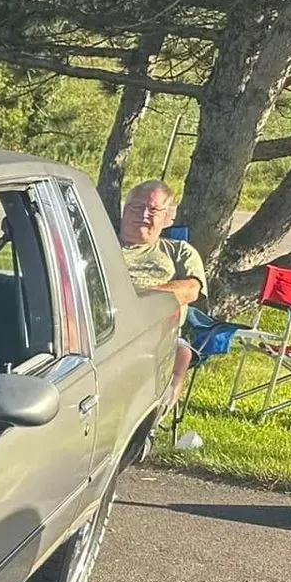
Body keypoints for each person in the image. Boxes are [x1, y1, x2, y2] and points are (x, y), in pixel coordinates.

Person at [119, 180, 205, 422]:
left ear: (167, 218)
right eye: (136, 208)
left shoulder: (179, 251)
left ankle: (152, 420)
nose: (144, 215)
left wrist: (139, 299)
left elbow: (191, 290)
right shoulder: (100, 247)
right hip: (106, 327)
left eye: (154, 210)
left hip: (159, 335)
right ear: (125, 211)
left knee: (182, 352)